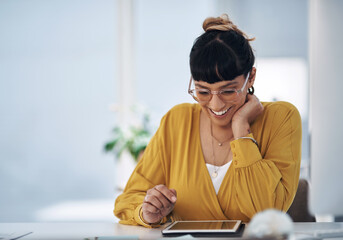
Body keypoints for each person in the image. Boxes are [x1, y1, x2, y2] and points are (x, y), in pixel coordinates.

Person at [114, 14, 301, 227]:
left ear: (251, 77)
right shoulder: (177, 121)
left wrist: (241, 129)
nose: (215, 105)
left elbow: (266, 212)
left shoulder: (282, 118)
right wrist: (146, 212)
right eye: (203, 92)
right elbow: (128, 200)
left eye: (228, 91)